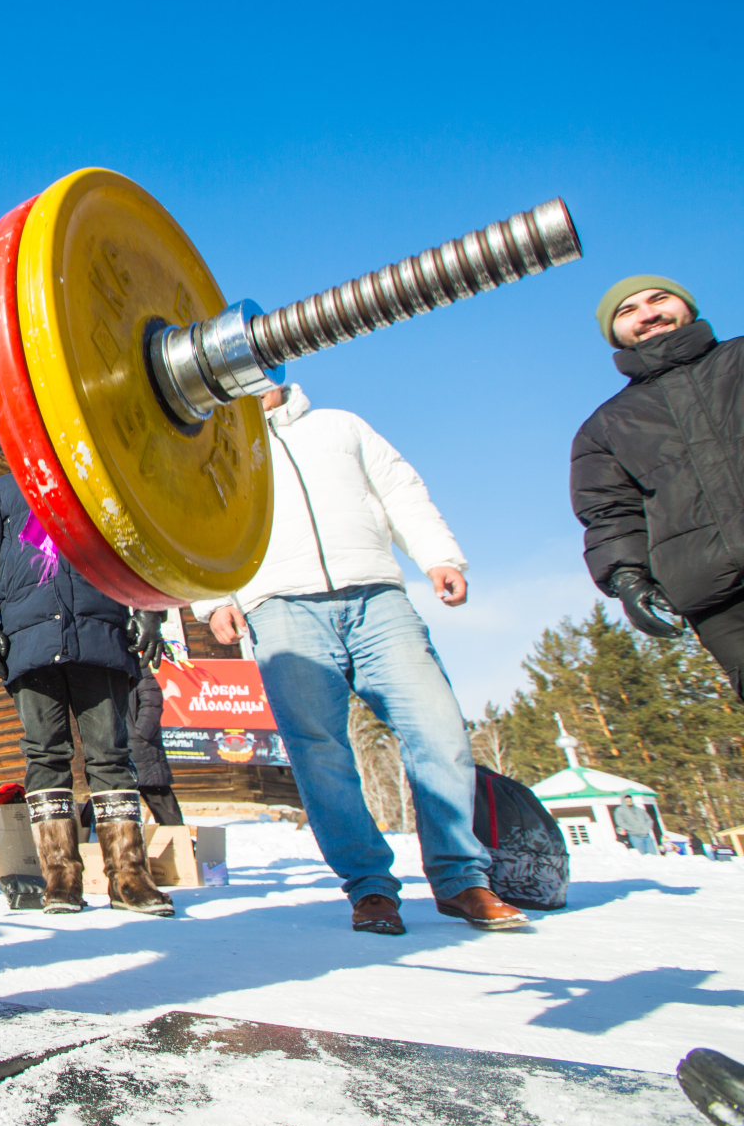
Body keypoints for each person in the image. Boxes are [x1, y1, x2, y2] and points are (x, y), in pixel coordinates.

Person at [195, 382, 525, 935]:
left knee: (438, 730)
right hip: (279, 606)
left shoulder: (339, 425)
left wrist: (438, 556)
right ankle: (370, 887)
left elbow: (399, 489)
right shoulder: (216, 448)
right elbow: (201, 519)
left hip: (377, 598)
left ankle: (462, 878)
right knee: (318, 751)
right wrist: (212, 601)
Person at [0, 472, 173, 917]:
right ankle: (60, 879)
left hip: (100, 634)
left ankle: (130, 878)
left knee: (111, 754)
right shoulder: (0, 491)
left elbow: (139, 543)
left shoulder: (98, 477)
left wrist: (150, 609)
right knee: (45, 755)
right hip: (29, 641)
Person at [571, 277, 744, 699]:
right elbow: (610, 514)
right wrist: (627, 579)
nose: (648, 315)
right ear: (615, 333)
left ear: (687, 306)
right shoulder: (604, 427)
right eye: (628, 311)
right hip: (720, 598)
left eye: (659, 298)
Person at [128, 667, 184, 827]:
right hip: (120, 747)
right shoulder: (110, 673)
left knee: (159, 800)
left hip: (141, 749)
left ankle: (177, 839)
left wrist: (139, 735)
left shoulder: (141, 672)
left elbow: (152, 704)